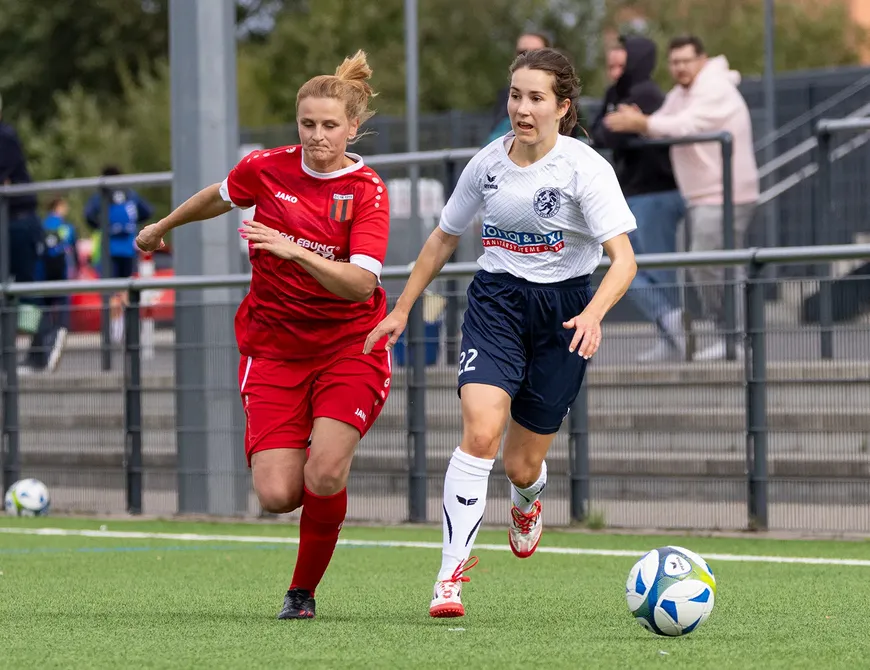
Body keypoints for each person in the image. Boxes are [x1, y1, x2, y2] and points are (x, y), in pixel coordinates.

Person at [364, 48, 637, 618]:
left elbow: (624, 261)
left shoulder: (585, 169)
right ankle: (449, 577)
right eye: (516, 95)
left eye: (536, 97)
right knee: (481, 434)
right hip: (496, 303)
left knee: (519, 465)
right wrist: (401, 307)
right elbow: (443, 237)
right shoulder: (487, 164)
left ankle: (528, 499)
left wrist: (592, 315)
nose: (523, 107)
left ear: (563, 107)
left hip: (564, 312)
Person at [135, 50, 392, 621]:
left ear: (352, 127)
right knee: (278, 495)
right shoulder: (267, 168)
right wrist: (161, 229)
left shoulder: (368, 189)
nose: (317, 137)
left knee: (324, 470)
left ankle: (301, 594)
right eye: (308, 125)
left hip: (351, 345)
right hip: (273, 350)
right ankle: (324, 470)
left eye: (330, 126)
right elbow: (217, 195)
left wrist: (293, 249)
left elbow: (359, 286)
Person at [604, 35, 759, 361]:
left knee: (712, 265)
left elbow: (684, 125)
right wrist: (642, 121)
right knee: (709, 266)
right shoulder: (680, 93)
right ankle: (730, 335)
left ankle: (736, 337)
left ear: (702, 59)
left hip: (725, 194)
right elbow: (664, 119)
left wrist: (641, 122)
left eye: (687, 60)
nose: (680, 68)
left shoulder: (715, 89)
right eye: (674, 62)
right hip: (702, 197)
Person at [590, 35, 686, 362]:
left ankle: (676, 330)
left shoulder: (647, 93)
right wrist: (614, 127)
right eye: (611, 65)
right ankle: (669, 329)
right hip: (631, 193)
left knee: (656, 268)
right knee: (626, 265)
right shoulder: (615, 94)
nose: (615, 71)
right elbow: (598, 132)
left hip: (656, 193)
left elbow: (612, 132)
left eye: (622, 63)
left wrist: (620, 127)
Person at [85, 165, 154, 278]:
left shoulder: (101, 195)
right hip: (129, 247)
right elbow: (147, 211)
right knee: (128, 286)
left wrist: (101, 226)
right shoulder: (130, 194)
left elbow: (88, 215)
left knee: (110, 287)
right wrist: (134, 224)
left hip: (109, 248)